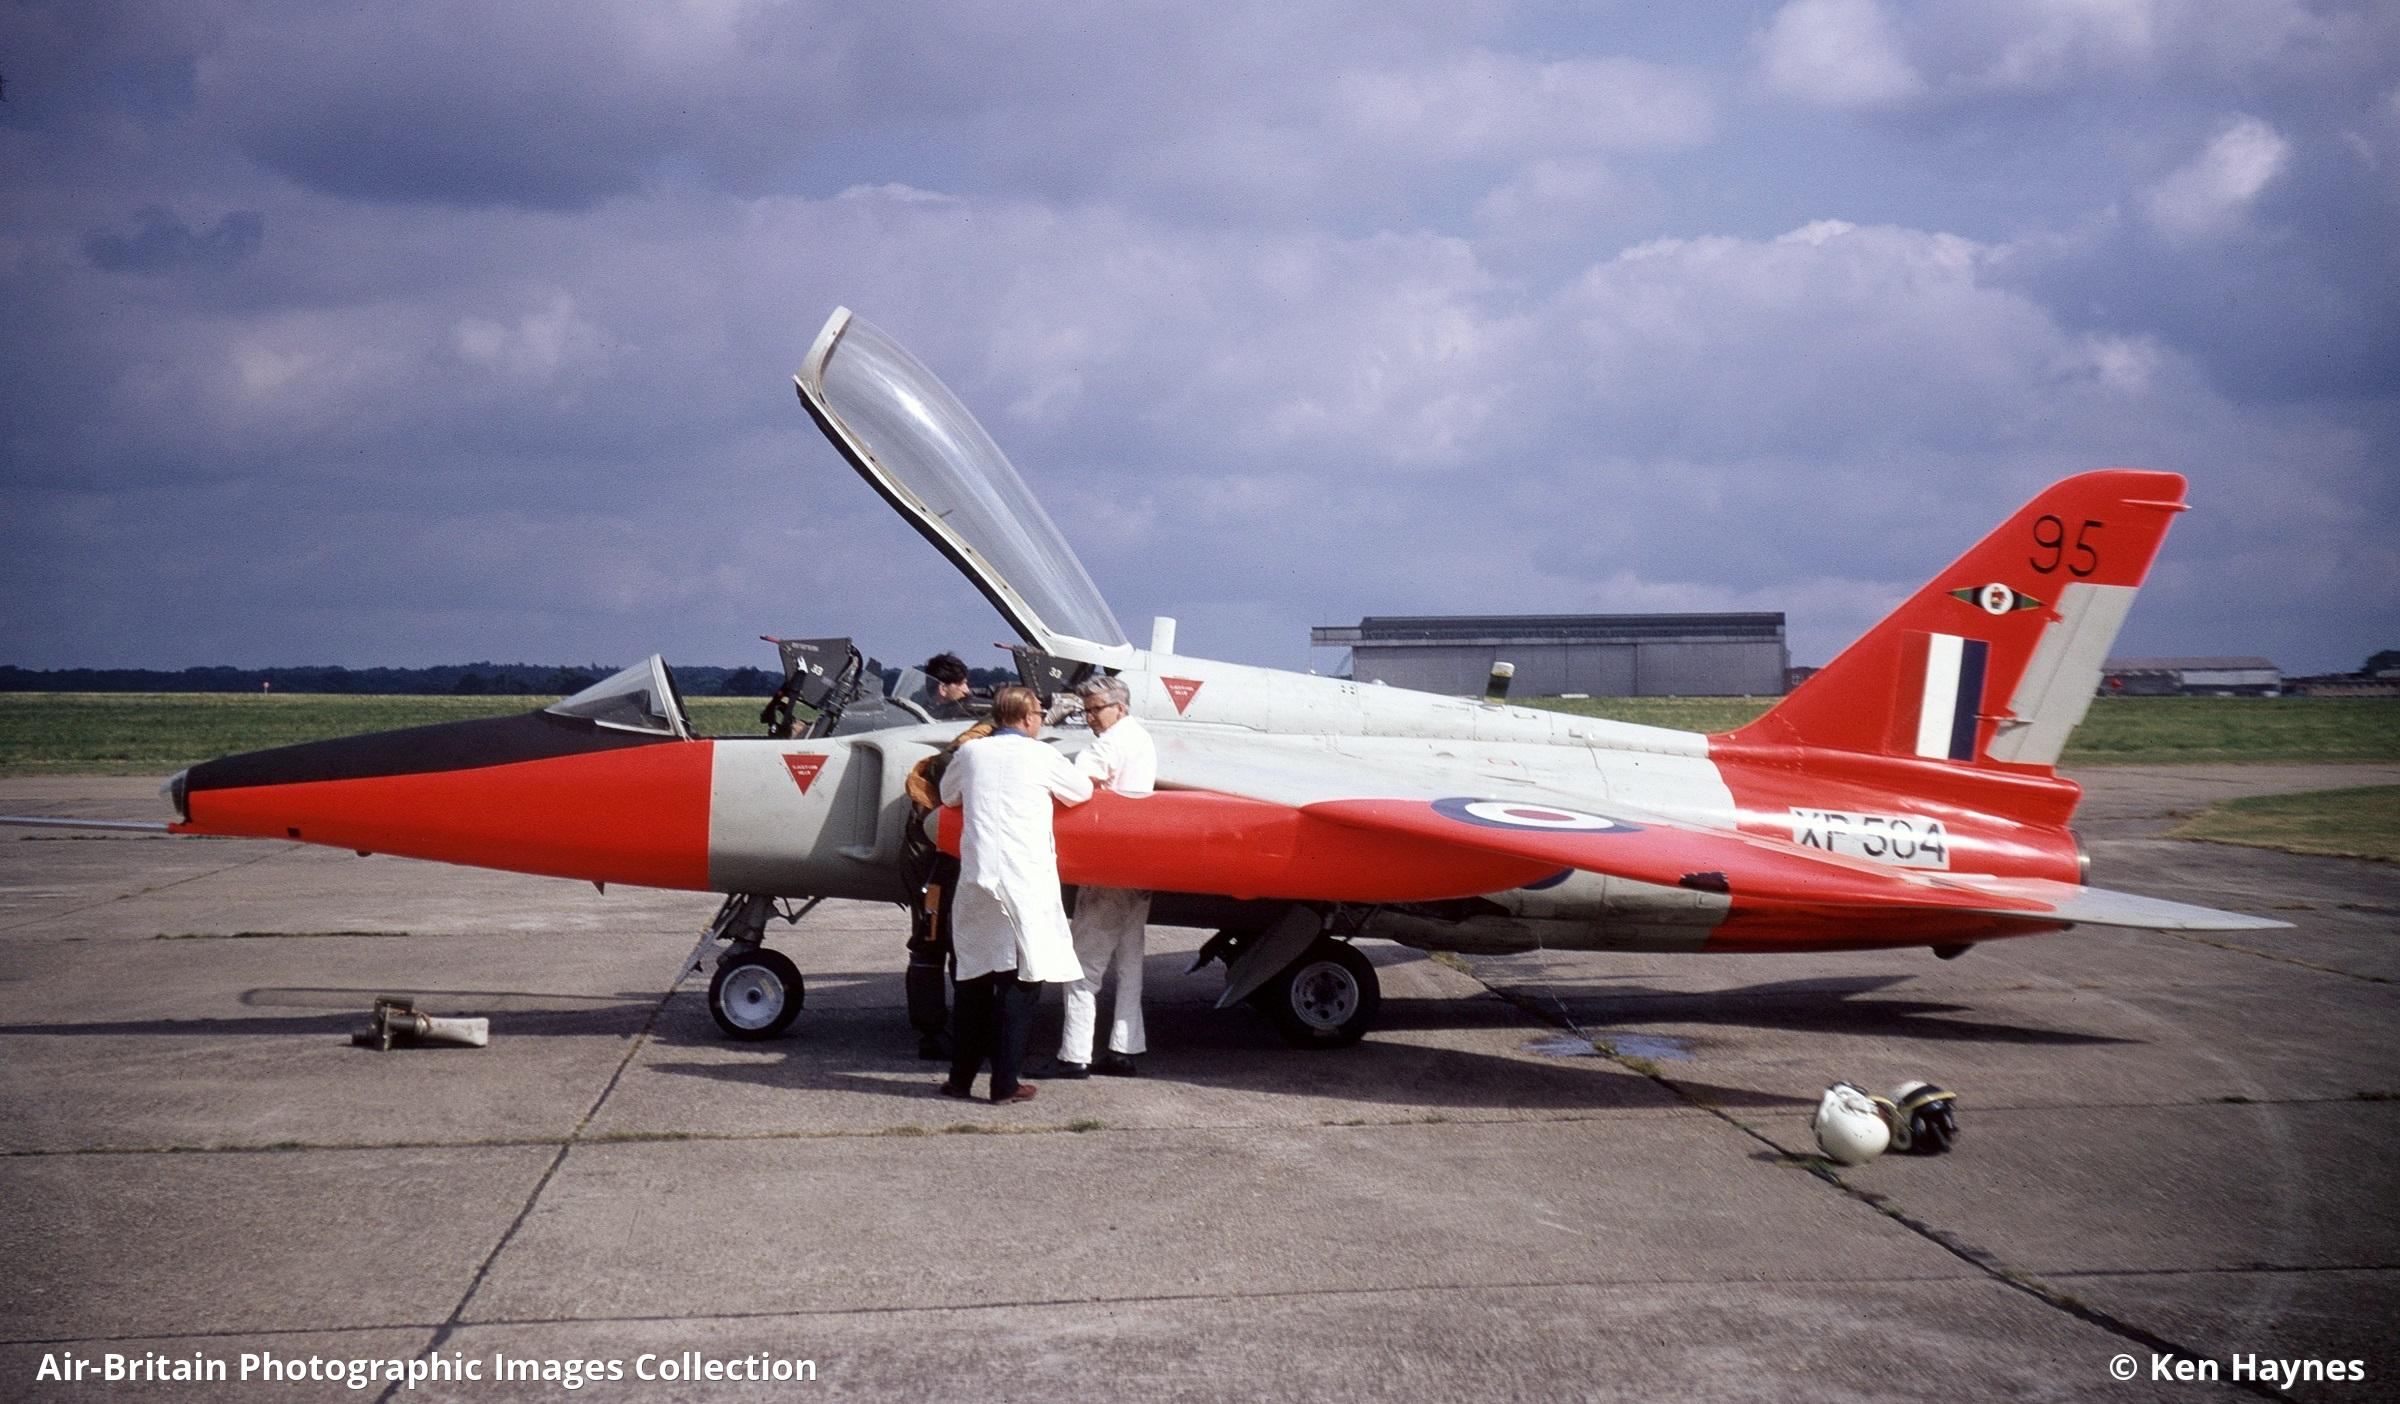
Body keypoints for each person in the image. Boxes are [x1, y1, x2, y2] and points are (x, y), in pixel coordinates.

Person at [936, 684, 1092, 1103]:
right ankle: (1004, 1084)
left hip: (978, 877)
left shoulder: (971, 752)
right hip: (1025, 881)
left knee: (972, 979)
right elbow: (1080, 791)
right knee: (1021, 981)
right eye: (1039, 715)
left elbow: (948, 794)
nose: (1040, 721)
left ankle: (960, 1079)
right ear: (1027, 718)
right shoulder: (1043, 755)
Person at [1044, 674, 1156, 1079]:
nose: (1090, 717)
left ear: (1119, 708)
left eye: (1096, 710)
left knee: (1082, 965)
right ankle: (1124, 1049)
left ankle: (1074, 1054)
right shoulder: (1141, 738)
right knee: (1129, 961)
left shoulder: (1107, 744)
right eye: (1086, 710)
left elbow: (1076, 784)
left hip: (1107, 866)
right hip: (1138, 865)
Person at [900, 718, 996, 1061]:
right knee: (931, 942)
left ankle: (960, 1030)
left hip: (938, 862)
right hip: (931, 866)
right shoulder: (959, 756)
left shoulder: (964, 750)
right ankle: (933, 1034)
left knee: (949, 944)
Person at [909, 652, 985, 721]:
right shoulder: (955, 715)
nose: (966, 690)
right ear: (943, 688)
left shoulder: (917, 713)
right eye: (961, 684)